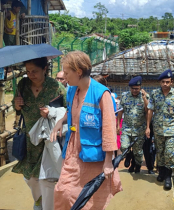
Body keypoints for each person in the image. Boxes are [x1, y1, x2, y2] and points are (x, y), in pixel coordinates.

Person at [51, 51, 122, 209]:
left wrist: (108, 161)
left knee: (90, 197)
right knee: (63, 191)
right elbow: (70, 111)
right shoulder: (72, 90)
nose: (64, 76)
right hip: (73, 150)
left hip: (93, 155)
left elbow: (109, 129)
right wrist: (59, 123)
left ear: (78, 72)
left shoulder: (101, 94)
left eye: (67, 73)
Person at [13, 57, 67, 210]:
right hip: (30, 139)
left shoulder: (56, 87)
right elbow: (16, 107)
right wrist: (16, 106)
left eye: (34, 71)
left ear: (44, 69)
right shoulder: (22, 85)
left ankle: (46, 205)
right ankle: (39, 200)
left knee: (47, 177)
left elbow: (68, 112)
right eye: (28, 71)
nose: (31, 74)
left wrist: (52, 112)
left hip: (49, 139)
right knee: (30, 178)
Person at [146, 69, 174, 190]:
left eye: (167, 82)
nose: (165, 84)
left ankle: (168, 176)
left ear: (171, 82)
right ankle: (161, 172)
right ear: (160, 82)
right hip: (158, 129)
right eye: (163, 82)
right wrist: (148, 127)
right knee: (160, 152)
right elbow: (150, 110)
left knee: (168, 152)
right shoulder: (154, 94)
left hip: (171, 128)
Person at [117, 76, 149, 174]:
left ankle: (137, 165)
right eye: (133, 88)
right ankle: (129, 156)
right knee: (124, 146)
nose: (135, 90)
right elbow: (120, 111)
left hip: (139, 129)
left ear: (140, 88)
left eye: (137, 89)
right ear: (130, 88)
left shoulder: (145, 97)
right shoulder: (124, 96)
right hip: (127, 127)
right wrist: (118, 125)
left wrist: (144, 98)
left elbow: (148, 111)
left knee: (138, 152)